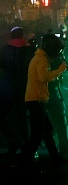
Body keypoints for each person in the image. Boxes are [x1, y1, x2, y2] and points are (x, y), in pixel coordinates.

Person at [20, 34, 68, 167]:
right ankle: (25, 158)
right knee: (39, 133)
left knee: (45, 131)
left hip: (38, 98)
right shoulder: (41, 59)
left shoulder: (39, 57)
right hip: (36, 99)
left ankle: (54, 157)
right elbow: (44, 78)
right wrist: (61, 69)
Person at [0, 26, 35, 157]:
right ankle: (26, 146)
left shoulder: (5, 50)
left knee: (3, 116)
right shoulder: (29, 50)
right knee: (23, 119)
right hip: (26, 88)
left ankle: (14, 141)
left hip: (8, 89)